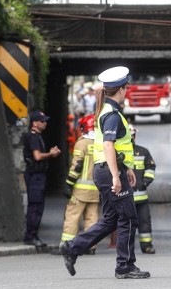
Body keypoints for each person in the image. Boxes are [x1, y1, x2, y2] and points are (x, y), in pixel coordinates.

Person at [59, 66, 150, 279]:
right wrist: (117, 176)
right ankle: (125, 267)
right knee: (128, 219)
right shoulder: (112, 115)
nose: (127, 91)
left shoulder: (106, 111)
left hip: (107, 171)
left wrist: (125, 169)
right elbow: (109, 145)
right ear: (121, 89)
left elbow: (115, 147)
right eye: (126, 87)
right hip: (109, 173)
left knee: (111, 220)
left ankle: (72, 248)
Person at [61, 114, 99, 253]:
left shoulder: (82, 143)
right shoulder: (102, 143)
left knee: (72, 216)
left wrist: (68, 184)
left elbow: (77, 166)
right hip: (96, 190)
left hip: (80, 190)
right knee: (92, 219)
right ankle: (90, 246)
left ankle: (67, 245)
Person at [23, 110, 61, 247]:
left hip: (37, 175)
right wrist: (51, 154)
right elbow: (37, 156)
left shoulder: (37, 136)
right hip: (35, 176)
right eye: (42, 121)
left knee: (38, 206)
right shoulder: (33, 137)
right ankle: (30, 236)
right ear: (35, 123)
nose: (45, 123)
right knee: (35, 206)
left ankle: (33, 234)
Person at [129, 124, 157, 254]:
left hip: (141, 197)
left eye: (133, 136)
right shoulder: (117, 153)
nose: (131, 139)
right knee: (127, 225)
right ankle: (127, 249)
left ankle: (146, 246)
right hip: (126, 198)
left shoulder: (143, 152)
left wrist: (145, 182)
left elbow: (150, 168)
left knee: (144, 222)